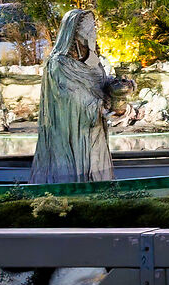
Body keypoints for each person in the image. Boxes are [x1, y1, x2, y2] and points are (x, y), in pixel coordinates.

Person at [33, 10, 127, 185]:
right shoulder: (58, 63)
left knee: (97, 172)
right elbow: (69, 96)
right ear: (74, 30)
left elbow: (100, 82)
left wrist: (117, 86)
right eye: (88, 27)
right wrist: (98, 106)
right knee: (72, 175)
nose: (93, 30)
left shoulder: (92, 59)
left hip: (94, 128)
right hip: (70, 130)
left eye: (93, 26)